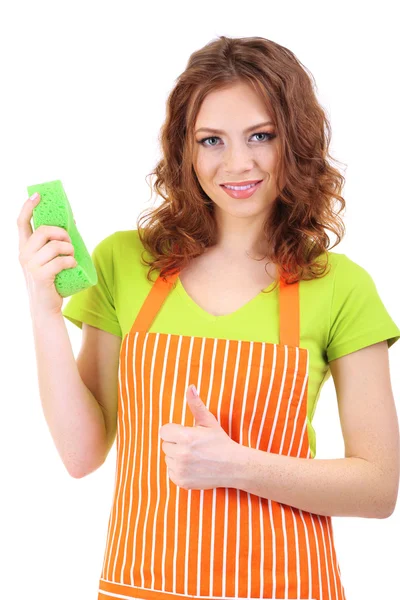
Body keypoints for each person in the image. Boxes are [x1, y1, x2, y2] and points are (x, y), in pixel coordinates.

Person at [19, 36, 400, 600]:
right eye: (211, 140)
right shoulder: (125, 262)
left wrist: (239, 466)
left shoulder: (341, 286)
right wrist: (44, 309)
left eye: (261, 136)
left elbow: (378, 490)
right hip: (139, 588)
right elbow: (81, 455)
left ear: (296, 141)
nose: (237, 163)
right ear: (185, 149)